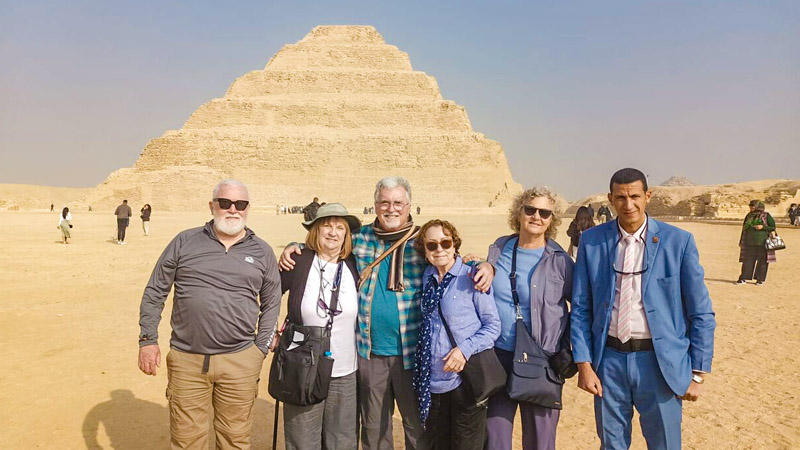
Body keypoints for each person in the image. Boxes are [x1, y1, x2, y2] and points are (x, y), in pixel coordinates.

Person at [279, 176, 495, 450]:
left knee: (418, 428)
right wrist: (294, 247)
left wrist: (487, 265)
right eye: (384, 203)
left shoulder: (423, 242)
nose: (391, 209)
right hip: (371, 354)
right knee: (374, 429)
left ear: (409, 206)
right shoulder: (360, 239)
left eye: (397, 203)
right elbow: (325, 244)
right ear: (375, 206)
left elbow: (454, 260)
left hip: (414, 353)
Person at [571, 168, 716, 450]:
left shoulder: (678, 242)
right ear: (610, 198)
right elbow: (580, 308)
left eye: (635, 196)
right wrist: (584, 364)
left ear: (648, 196)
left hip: (659, 363)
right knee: (612, 445)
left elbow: (701, 312)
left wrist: (697, 373)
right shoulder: (592, 242)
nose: (629, 205)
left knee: (664, 443)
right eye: (621, 198)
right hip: (608, 361)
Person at [137, 179, 282, 450]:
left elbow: (272, 300)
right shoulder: (185, 241)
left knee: (235, 439)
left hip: (240, 360)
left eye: (241, 204)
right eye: (225, 203)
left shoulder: (261, 250)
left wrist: (259, 348)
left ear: (248, 208)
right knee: (186, 440)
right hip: (187, 360)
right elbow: (156, 290)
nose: (233, 210)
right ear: (212, 205)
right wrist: (148, 340)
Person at [484, 186, 574, 450]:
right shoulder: (499, 248)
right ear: (519, 212)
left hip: (542, 360)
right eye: (531, 209)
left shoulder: (559, 260)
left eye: (544, 212)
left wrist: (568, 350)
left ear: (551, 220)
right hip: (499, 356)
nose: (537, 216)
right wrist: (482, 264)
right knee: (495, 437)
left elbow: (580, 307)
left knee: (540, 441)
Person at [276, 203, 362, 450]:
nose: (333, 232)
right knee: (302, 440)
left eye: (339, 228)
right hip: (303, 366)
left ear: (347, 235)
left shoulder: (353, 265)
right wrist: (271, 331)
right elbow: (268, 296)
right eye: (326, 225)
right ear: (315, 230)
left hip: (345, 370)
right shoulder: (298, 261)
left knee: (342, 441)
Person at [412, 219, 500, 450]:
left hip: (465, 382)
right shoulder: (427, 277)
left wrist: (464, 350)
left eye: (445, 242)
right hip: (433, 382)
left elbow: (492, 326)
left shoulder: (473, 276)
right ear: (425, 250)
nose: (439, 249)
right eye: (432, 245)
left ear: (454, 245)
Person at [737, 201, 776, 285]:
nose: (751, 208)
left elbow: (772, 227)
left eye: (753, 206)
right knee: (747, 261)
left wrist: (763, 227)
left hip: (763, 243)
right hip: (750, 242)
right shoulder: (749, 216)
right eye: (750, 206)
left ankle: (760, 279)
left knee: (762, 261)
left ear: (758, 206)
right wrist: (741, 241)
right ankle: (743, 278)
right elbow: (744, 229)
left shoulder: (766, 215)